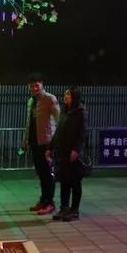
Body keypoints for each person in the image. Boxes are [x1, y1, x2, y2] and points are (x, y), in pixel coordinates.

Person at [22, 76, 59, 216]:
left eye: (36, 85)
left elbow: (58, 119)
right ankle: (43, 200)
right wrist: (25, 140)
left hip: (47, 143)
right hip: (35, 142)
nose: (34, 88)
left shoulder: (50, 99)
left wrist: (55, 142)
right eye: (31, 86)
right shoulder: (31, 101)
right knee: (41, 173)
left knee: (47, 173)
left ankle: (50, 203)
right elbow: (29, 123)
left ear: (42, 84)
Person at [50, 87, 87, 222]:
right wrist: (50, 147)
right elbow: (58, 131)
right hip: (62, 152)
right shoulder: (65, 112)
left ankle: (74, 210)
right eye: (65, 94)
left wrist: (76, 150)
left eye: (68, 95)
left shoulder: (80, 113)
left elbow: (82, 134)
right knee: (64, 181)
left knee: (75, 182)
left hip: (73, 154)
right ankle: (64, 208)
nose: (65, 97)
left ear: (75, 97)